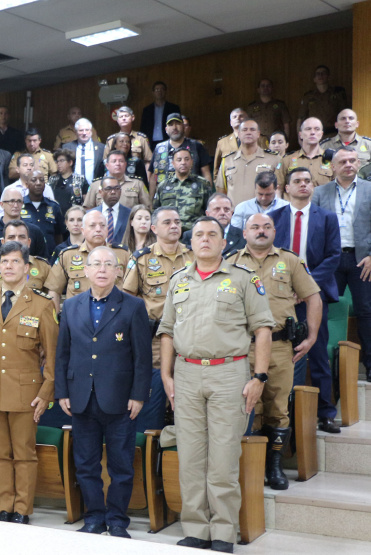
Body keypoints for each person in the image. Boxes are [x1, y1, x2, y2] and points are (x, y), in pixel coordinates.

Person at [157, 216, 274, 553]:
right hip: (187, 374)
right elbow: (167, 331)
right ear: (191, 243)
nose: (205, 239)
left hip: (228, 373)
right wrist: (166, 375)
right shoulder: (179, 280)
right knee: (191, 457)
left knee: (223, 459)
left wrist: (259, 377)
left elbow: (263, 329)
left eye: (212, 234)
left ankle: (223, 532)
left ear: (224, 243)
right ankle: (196, 529)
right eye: (199, 235)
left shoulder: (243, 278)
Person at [55, 246, 151, 538]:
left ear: (118, 271)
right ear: (85, 270)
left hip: (121, 400)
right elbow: (63, 353)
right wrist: (62, 392)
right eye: (96, 263)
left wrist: (138, 395)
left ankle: (118, 520)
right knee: (86, 465)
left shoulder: (133, 306)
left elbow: (142, 357)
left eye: (109, 264)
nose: (102, 269)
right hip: (81, 397)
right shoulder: (71, 306)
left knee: (121, 466)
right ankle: (94, 518)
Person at [226, 213, 321, 489]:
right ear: (245, 233)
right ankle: (253, 465)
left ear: (274, 232)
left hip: (280, 347)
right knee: (248, 406)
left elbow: (313, 297)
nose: (261, 231)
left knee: (278, 407)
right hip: (243, 348)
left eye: (267, 227)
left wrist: (312, 336)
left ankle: (274, 466)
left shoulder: (289, 261)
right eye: (255, 227)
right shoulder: (230, 262)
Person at [0, 241, 57, 524]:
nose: (8, 266)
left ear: (27, 268)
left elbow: (52, 356)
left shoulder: (42, 304)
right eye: (4, 262)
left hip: (25, 393)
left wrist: (46, 392)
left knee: (24, 453)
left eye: (15, 261)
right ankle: (4, 506)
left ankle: (22, 509)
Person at [268, 168, 341, 433]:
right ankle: (277, 414)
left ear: (313, 186)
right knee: (278, 354)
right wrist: (289, 287)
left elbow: (333, 256)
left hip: (313, 295)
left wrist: (306, 286)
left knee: (317, 353)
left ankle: (326, 412)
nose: (303, 185)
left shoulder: (328, 217)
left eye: (307, 181)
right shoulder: (273, 218)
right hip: (281, 296)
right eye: (297, 181)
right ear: (286, 188)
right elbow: (268, 254)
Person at [122, 207, 194, 432]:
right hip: (153, 340)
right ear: (154, 228)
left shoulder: (194, 256)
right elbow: (128, 299)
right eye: (167, 222)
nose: (174, 226)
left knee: (186, 394)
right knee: (155, 395)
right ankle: (152, 444)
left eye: (177, 222)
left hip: (189, 339)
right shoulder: (142, 258)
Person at [313, 148, 371, 399]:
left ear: (358, 163)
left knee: (366, 311)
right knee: (321, 309)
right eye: (343, 161)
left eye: (352, 160)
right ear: (333, 167)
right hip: (331, 260)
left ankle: (370, 366)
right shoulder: (320, 192)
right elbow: (314, 228)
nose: (348, 164)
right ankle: (322, 365)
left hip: (362, 259)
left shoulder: (369, 189)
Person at [45, 210, 130, 308]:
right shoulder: (68, 255)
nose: (98, 229)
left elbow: (131, 290)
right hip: (78, 313)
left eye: (102, 225)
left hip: (114, 312)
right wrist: (56, 316)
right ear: (83, 230)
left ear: (107, 229)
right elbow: (54, 290)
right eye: (92, 225)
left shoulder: (122, 254)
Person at [217, 119, 284, 207]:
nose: (248, 132)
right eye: (244, 130)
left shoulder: (274, 159)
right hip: (235, 213)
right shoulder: (227, 160)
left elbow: (279, 189)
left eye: (252, 129)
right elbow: (221, 191)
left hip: (263, 213)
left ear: (258, 134)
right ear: (239, 134)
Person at [0, 220, 50, 295]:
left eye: (22, 237)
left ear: (29, 242)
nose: (17, 241)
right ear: (3, 242)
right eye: (11, 237)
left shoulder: (44, 268)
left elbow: (51, 299)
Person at [0, 187, 49, 266]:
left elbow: (44, 262)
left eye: (19, 201)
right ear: (1, 204)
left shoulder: (35, 231)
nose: (15, 205)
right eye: (11, 201)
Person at [149, 113, 211, 187]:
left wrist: (209, 192)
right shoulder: (159, 148)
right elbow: (153, 177)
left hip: (192, 192)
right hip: (165, 193)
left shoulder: (196, 146)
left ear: (183, 127)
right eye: (171, 125)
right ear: (166, 129)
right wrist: (151, 194)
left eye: (178, 124)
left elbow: (206, 174)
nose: (174, 127)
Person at [21, 169, 67, 259]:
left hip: (49, 257)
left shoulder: (54, 206)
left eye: (41, 180)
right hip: (26, 256)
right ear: (26, 184)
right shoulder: (19, 205)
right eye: (34, 180)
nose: (38, 183)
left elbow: (59, 235)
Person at [0, 154, 56, 221]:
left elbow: (52, 211)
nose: (29, 168)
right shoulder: (9, 189)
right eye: (25, 165)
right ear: (17, 169)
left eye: (31, 165)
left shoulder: (45, 188)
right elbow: (0, 215)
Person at [84, 150, 151, 210]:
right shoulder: (95, 185)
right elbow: (88, 209)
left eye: (121, 161)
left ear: (125, 165)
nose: (118, 164)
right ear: (107, 166)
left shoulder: (137, 184)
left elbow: (147, 207)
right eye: (114, 161)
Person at [181, 193, 245, 255]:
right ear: (207, 213)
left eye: (226, 210)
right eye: (217, 209)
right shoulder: (190, 235)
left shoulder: (242, 236)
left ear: (231, 213)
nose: (222, 213)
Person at [297, 65, 349, 135]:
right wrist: (300, 137)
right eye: (318, 74)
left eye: (323, 73)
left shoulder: (338, 93)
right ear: (314, 79)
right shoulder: (308, 96)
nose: (320, 76)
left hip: (333, 133)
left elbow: (344, 115)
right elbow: (301, 118)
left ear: (328, 77)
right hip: (314, 134)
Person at [281, 117, 332, 183]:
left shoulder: (332, 159)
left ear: (321, 134)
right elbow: (278, 187)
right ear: (300, 135)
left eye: (317, 129)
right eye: (308, 129)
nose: (312, 132)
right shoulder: (287, 160)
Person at [89, 176, 132, 245]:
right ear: (100, 192)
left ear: (121, 191)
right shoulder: (90, 214)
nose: (113, 192)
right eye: (108, 189)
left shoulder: (130, 214)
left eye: (117, 188)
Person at [63, 119, 105, 186]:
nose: (84, 133)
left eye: (87, 130)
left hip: (95, 187)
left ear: (91, 132)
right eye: (81, 130)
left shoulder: (101, 148)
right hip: (73, 187)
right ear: (76, 132)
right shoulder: (67, 147)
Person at [213, 108, 250, 178]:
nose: (238, 118)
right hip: (230, 182)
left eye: (241, 116)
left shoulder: (259, 139)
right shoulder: (222, 142)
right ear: (231, 122)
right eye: (234, 117)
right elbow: (216, 169)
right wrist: (218, 183)